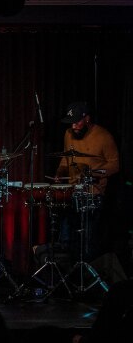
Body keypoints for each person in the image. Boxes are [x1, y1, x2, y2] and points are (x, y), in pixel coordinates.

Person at [54, 101, 120, 261]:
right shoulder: (68, 134)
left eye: (77, 122)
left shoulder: (104, 136)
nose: (74, 126)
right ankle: (69, 276)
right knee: (67, 240)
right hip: (72, 193)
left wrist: (93, 173)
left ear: (87, 119)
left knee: (87, 243)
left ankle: (87, 276)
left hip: (93, 194)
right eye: (71, 123)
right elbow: (65, 158)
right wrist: (59, 174)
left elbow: (115, 165)